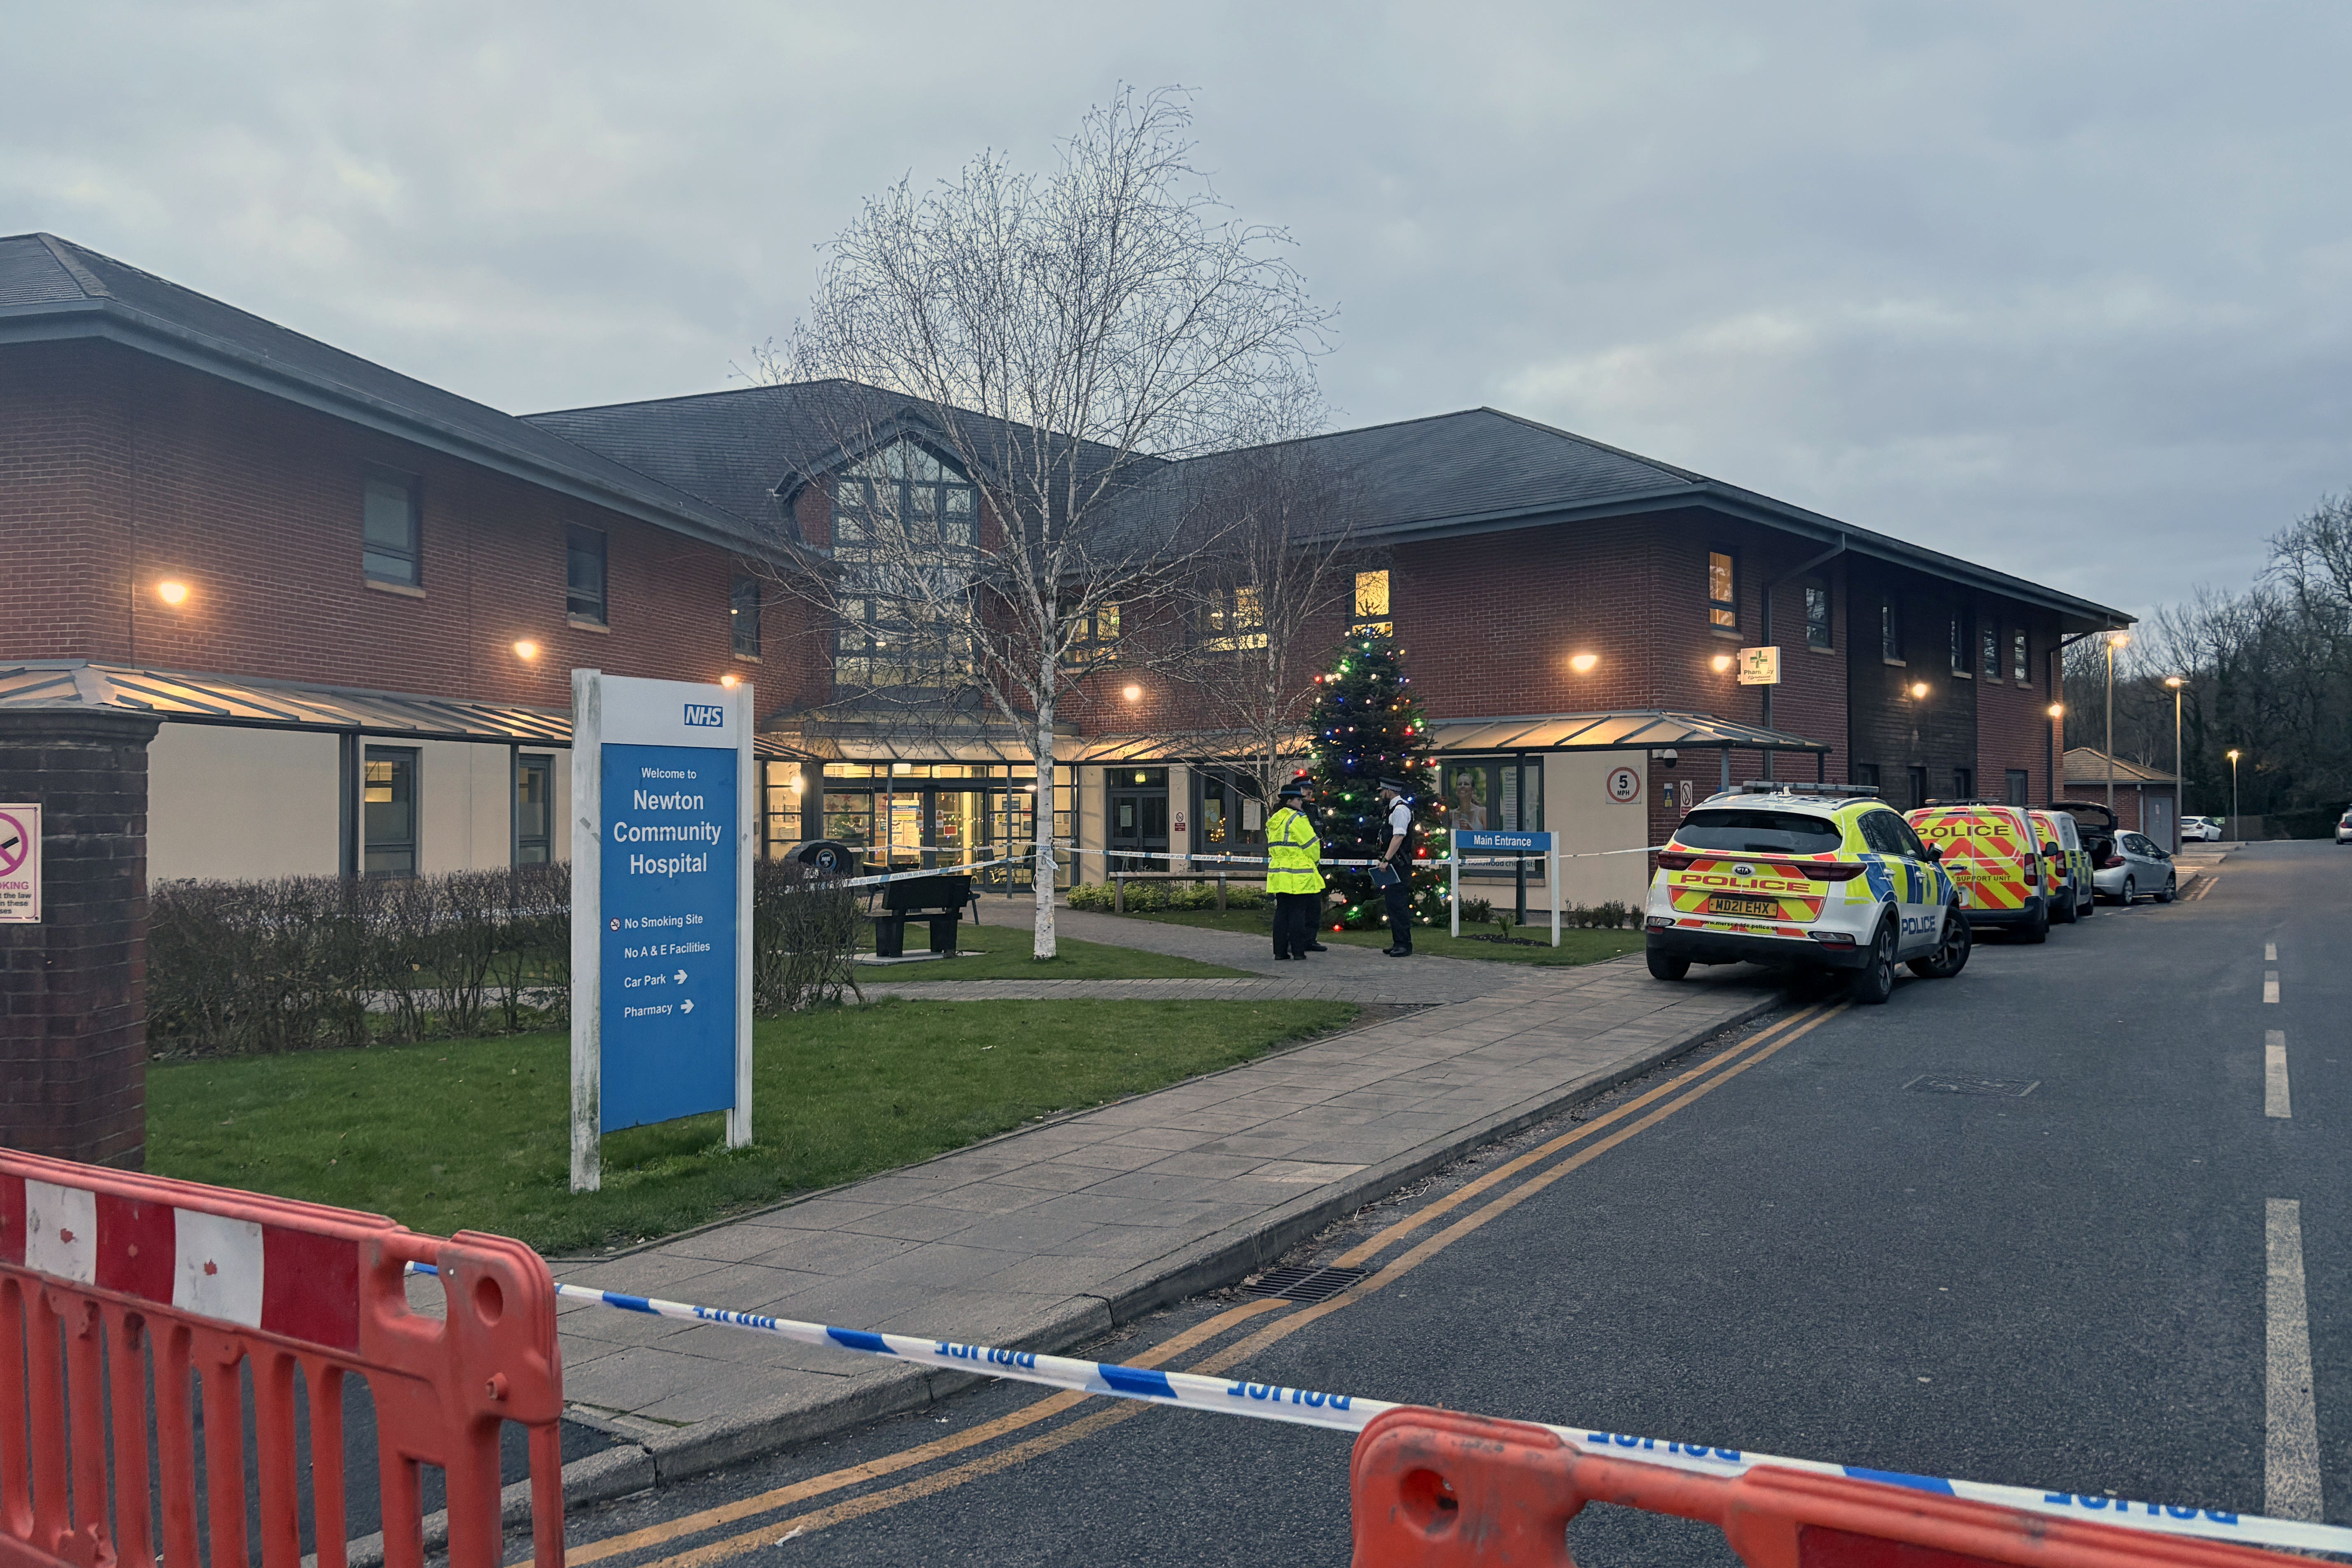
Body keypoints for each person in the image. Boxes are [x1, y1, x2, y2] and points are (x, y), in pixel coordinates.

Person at [1265, 779, 1327, 961]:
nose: (1302, 802)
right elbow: (1312, 846)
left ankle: (1280, 952)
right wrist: (1314, 859)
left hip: (1279, 874)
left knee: (1282, 914)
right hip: (1299, 875)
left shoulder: (1274, 820)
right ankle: (1299, 952)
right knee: (1298, 914)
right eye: (1298, 799)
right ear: (1290, 801)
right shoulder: (1297, 819)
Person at [1377, 777, 1416, 956]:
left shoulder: (1400, 810)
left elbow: (1399, 837)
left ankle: (1404, 945)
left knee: (1398, 905)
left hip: (1399, 864)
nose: (1380, 795)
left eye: (1382, 791)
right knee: (1393, 904)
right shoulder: (1392, 810)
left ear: (1389, 791)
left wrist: (1386, 859)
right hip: (1395, 864)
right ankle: (1398, 942)